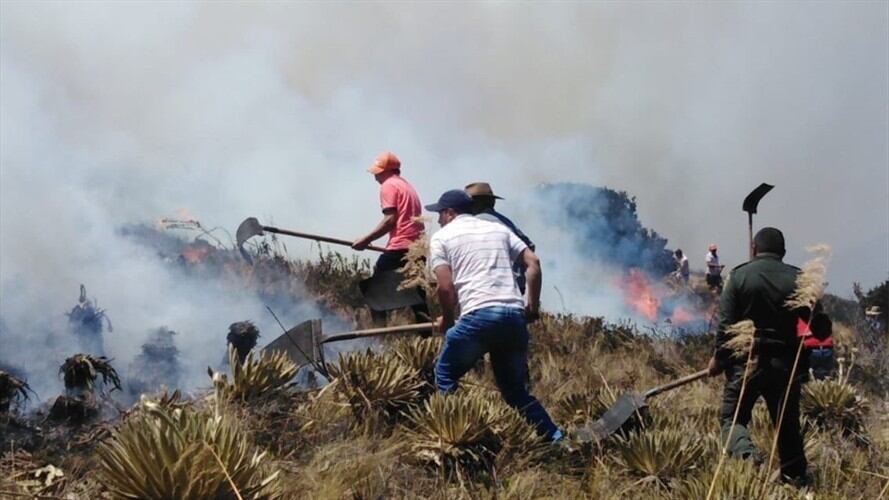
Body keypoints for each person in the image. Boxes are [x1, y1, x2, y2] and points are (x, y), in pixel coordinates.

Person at [426, 189, 562, 442]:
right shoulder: (499, 229)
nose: (438, 220)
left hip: (478, 317)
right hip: (512, 317)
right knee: (514, 392)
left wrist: (447, 320)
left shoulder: (442, 237)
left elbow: (445, 287)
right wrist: (532, 307)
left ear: (450, 213)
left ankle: (461, 435)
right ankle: (557, 439)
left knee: (445, 376)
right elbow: (534, 263)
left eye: (440, 215)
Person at [708, 227, 832, 485]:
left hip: (747, 364)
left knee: (732, 420)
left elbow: (727, 327)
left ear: (753, 249)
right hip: (786, 367)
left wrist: (719, 359)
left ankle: (747, 456)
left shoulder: (738, 277)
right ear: (783, 253)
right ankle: (796, 479)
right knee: (787, 426)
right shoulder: (800, 280)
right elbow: (820, 330)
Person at [352, 152, 429, 323]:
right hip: (417, 248)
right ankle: (427, 339)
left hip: (400, 246)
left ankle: (381, 334)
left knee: (375, 290)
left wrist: (366, 240)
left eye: (378, 172)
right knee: (417, 294)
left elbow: (390, 220)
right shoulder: (407, 186)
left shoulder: (388, 186)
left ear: (388, 171)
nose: (376, 176)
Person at [465, 182, 535, 295]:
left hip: (490, 288)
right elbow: (529, 246)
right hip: (515, 287)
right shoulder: (506, 222)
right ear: (492, 202)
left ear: (474, 203)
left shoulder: (475, 223)